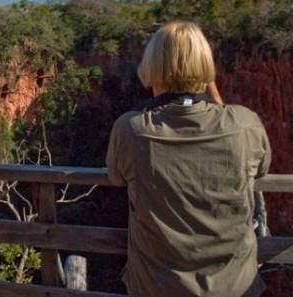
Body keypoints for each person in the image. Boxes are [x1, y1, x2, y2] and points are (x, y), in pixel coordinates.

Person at [106, 21, 271, 297]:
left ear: (151, 66)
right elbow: (261, 168)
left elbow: (116, 177)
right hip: (235, 287)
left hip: (156, 287)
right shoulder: (245, 124)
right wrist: (215, 99)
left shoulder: (130, 129)